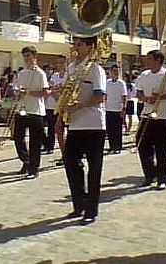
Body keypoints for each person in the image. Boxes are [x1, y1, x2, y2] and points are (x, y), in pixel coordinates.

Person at [57, 36, 106, 225]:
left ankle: (91, 211)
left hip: (93, 125)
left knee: (94, 170)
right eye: (75, 44)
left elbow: (99, 96)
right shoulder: (71, 68)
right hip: (75, 125)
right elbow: (68, 94)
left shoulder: (95, 69)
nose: (76, 47)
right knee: (70, 163)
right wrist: (61, 115)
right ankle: (79, 205)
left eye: (80, 44)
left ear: (90, 47)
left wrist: (78, 106)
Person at [135, 50, 166, 190]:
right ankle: (150, 175)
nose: (146, 61)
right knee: (141, 145)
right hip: (146, 114)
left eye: (149, 59)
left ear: (158, 60)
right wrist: (145, 99)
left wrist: (160, 97)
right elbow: (138, 92)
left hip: (163, 116)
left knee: (162, 149)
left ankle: (162, 179)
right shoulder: (144, 75)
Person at [13, 46, 49, 179]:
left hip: (36, 111)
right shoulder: (21, 73)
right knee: (17, 138)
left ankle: (34, 169)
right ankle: (26, 161)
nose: (26, 59)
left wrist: (28, 92)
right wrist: (17, 93)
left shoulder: (40, 73)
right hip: (22, 109)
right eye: (25, 56)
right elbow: (17, 89)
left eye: (28, 56)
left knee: (35, 142)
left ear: (34, 56)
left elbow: (45, 92)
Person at [44, 59, 66, 155]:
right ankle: (50, 146)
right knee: (51, 127)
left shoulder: (68, 76)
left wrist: (60, 98)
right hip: (52, 105)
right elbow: (52, 88)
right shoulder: (54, 76)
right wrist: (56, 95)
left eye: (62, 62)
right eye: (58, 63)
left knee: (62, 129)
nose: (59, 65)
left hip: (63, 106)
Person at [105, 65, 127, 154]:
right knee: (110, 129)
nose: (115, 73)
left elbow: (124, 96)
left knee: (118, 129)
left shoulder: (121, 83)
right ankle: (111, 146)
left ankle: (118, 146)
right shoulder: (107, 82)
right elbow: (105, 96)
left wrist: (124, 108)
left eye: (117, 71)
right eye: (113, 71)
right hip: (108, 109)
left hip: (118, 109)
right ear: (110, 72)